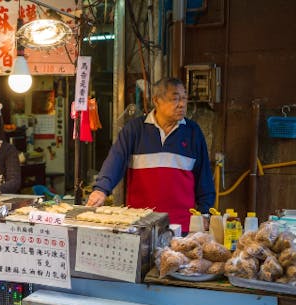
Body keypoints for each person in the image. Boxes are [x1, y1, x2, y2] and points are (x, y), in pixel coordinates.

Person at [86, 77, 216, 232]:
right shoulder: (135, 130)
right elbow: (116, 160)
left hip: (182, 225)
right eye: (175, 99)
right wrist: (101, 189)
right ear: (156, 101)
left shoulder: (193, 132)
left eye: (184, 98)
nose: (182, 104)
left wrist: (205, 211)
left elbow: (204, 177)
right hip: (140, 223)